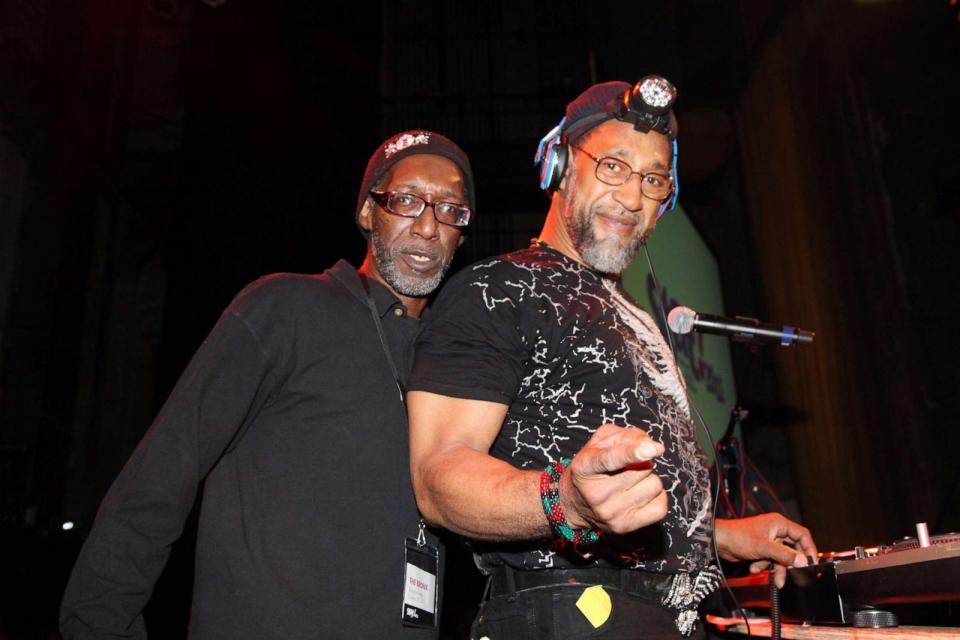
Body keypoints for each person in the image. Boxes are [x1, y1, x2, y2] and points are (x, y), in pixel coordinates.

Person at [406, 78, 817, 639]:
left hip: (673, 619)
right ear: (558, 165)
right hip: (568, 615)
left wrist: (724, 535)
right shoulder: (498, 288)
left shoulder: (638, 316)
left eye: (653, 179)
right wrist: (564, 500)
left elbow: (630, 504)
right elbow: (439, 478)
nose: (633, 197)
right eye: (613, 166)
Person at [60, 130, 474, 639]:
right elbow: (159, 479)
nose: (429, 226)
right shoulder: (285, 308)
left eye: (451, 209)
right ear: (368, 213)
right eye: (407, 200)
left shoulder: (458, 363)